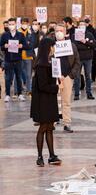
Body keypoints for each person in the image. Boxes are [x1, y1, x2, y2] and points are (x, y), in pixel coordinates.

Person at [31, 38, 62, 167]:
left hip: (50, 99)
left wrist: (58, 78)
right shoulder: (41, 65)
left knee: (50, 128)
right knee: (43, 127)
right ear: (47, 48)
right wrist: (56, 88)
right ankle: (39, 156)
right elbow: (43, 85)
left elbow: (52, 79)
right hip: (42, 101)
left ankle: (52, 155)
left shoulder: (50, 62)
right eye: (52, 47)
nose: (53, 49)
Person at [55, 24, 80, 133]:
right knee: (53, 101)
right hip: (54, 76)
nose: (59, 32)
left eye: (61, 30)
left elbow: (77, 62)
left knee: (66, 101)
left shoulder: (72, 45)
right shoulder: (51, 45)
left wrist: (71, 75)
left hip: (67, 76)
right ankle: (52, 122)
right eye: (57, 31)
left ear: (65, 33)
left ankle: (67, 123)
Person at [0, 18, 28, 103]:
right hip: (8, 59)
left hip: (18, 59)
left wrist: (21, 46)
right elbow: (0, 46)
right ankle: (7, 95)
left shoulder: (20, 35)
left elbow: (26, 46)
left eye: (13, 24)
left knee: (19, 77)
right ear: (8, 25)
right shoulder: (4, 35)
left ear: (16, 24)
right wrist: (4, 46)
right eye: (10, 24)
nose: (11, 26)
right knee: (8, 78)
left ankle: (20, 94)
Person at [73, 21, 95, 101]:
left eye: (83, 25)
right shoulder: (74, 35)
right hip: (78, 59)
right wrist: (87, 46)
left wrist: (85, 42)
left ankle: (89, 93)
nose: (82, 26)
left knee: (88, 76)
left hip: (88, 58)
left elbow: (94, 45)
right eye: (80, 25)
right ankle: (76, 94)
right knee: (77, 76)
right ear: (78, 26)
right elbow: (75, 46)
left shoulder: (89, 34)